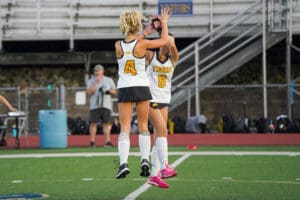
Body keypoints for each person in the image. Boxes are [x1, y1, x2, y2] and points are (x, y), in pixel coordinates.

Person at [114, 8, 171, 179]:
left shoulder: (118, 45)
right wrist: (164, 23)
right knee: (143, 126)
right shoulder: (143, 44)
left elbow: (131, 44)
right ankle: (145, 160)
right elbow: (164, 41)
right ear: (136, 25)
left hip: (124, 87)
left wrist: (146, 32)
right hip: (141, 87)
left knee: (124, 128)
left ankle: (123, 164)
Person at [145, 29, 179, 188]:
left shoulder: (174, 59)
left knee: (158, 137)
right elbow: (136, 46)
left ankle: (154, 175)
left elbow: (172, 46)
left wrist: (165, 32)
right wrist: (147, 32)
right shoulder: (151, 56)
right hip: (150, 98)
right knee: (163, 131)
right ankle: (164, 166)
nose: (167, 45)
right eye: (164, 42)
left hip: (165, 100)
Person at [86, 64, 117, 148]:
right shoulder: (91, 81)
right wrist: (96, 82)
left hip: (106, 105)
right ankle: (92, 142)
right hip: (94, 106)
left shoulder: (109, 80)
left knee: (106, 123)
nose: (96, 72)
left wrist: (109, 91)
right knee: (93, 123)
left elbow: (115, 92)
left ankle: (107, 141)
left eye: (98, 70)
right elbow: (89, 92)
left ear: (102, 71)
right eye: (95, 71)